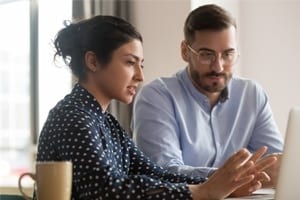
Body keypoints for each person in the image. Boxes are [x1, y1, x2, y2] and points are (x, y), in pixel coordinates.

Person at [35, 15, 276, 199]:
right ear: (93, 61)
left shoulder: (106, 123)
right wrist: (200, 192)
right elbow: (106, 191)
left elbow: (155, 173)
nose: (140, 75)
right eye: (130, 63)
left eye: (141, 64)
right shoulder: (73, 118)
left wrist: (223, 181)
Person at [132, 4, 283, 189]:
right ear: (185, 51)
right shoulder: (155, 97)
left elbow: (277, 164)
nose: (218, 67)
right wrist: (230, 180)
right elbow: (163, 172)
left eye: (228, 54)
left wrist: (252, 176)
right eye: (206, 54)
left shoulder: (251, 95)